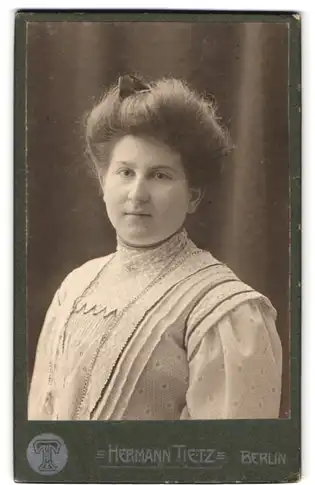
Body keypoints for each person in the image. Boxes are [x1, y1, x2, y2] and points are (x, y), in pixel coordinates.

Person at [28, 75, 282, 421]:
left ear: (194, 195)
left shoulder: (223, 309)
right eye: (125, 172)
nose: (137, 194)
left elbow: (223, 460)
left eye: (160, 175)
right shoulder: (75, 287)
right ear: (103, 182)